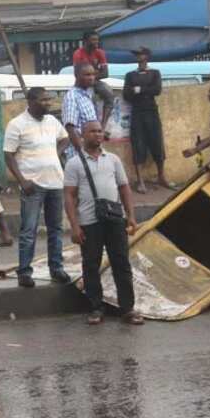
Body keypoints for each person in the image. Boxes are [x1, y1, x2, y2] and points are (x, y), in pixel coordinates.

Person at [64, 121, 141, 326]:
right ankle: (96, 308)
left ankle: (128, 309)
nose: (97, 135)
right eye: (93, 131)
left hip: (115, 221)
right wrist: (75, 226)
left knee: (121, 264)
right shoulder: (74, 163)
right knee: (91, 265)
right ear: (83, 135)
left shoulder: (113, 160)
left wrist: (131, 216)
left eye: (100, 131)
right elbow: (69, 196)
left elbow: (124, 189)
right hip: (89, 222)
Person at [4, 87, 72, 288]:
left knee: (56, 228)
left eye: (49, 100)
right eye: (44, 100)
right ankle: (24, 271)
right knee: (29, 229)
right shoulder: (17, 124)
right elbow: (8, 155)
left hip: (55, 183)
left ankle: (56, 268)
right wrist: (22, 181)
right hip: (32, 185)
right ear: (31, 101)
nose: (48, 104)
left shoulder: (52, 121)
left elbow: (65, 137)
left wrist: (56, 152)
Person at [123, 47, 175, 193]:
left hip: (152, 112)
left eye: (141, 54)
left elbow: (157, 90)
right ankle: (140, 181)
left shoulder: (155, 73)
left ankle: (161, 176)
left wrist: (138, 89)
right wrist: (143, 89)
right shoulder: (130, 75)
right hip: (137, 113)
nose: (139, 56)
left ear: (147, 56)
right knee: (138, 144)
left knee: (157, 143)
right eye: (137, 54)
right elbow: (126, 94)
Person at [61, 63, 105, 159]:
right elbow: (70, 128)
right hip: (79, 154)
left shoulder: (87, 95)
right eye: (87, 75)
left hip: (91, 152)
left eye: (93, 74)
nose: (91, 78)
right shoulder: (72, 97)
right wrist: (83, 153)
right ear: (77, 76)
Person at [72, 31, 116, 109]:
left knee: (109, 94)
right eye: (93, 40)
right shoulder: (78, 53)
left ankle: (104, 121)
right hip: (82, 83)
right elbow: (77, 74)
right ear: (85, 41)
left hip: (95, 81)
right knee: (86, 101)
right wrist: (96, 72)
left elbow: (105, 73)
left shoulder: (100, 52)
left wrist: (90, 77)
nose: (97, 42)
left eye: (97, 40)